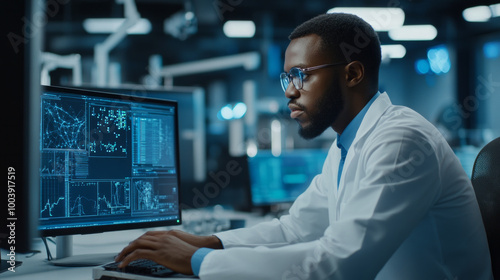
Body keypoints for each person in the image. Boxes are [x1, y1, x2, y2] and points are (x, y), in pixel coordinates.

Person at [115, 13, 493, 279]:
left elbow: (338, 266)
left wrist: (198, 261)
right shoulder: (348, 145)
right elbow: (297, 229)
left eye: (301, 75)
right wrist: (209, 242)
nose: (290, 92)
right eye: (286, 78)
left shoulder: (401, 141)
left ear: (353, 73)